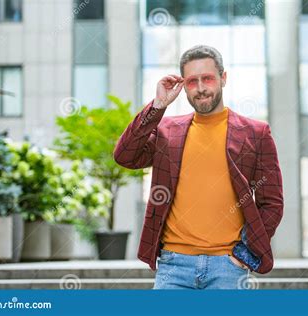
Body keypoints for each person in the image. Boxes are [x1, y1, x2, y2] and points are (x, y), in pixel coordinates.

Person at [113, 45, 284, 289]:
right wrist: (158, 106)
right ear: (183, 85)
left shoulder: (256, 134)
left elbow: (272, 203)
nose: (201, 88)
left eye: (208, 79)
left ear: (223, 79)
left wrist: (242, 255)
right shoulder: (167, 132)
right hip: (173, 266)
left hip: (227, 267)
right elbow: (124, 156)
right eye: (192, 81)